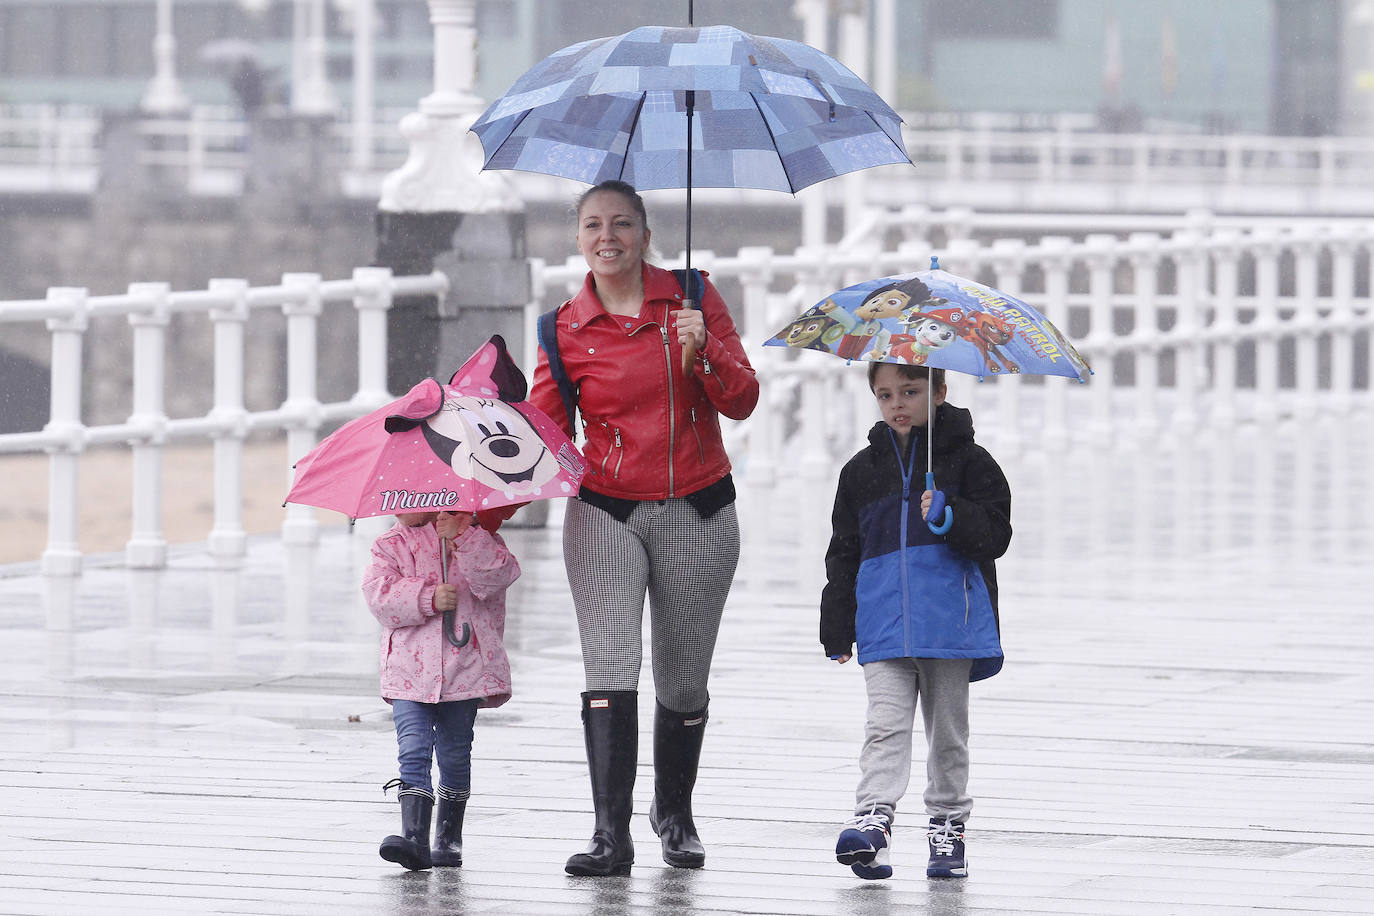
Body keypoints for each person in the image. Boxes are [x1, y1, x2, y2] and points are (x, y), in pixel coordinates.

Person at [527, 179, 759, 876]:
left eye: (622, 224)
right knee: (610, 665)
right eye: (594, 225)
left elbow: (743, 398)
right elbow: (542, 436)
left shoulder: (692, 298)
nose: (608, 237)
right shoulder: (560, 329)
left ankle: (675, 813)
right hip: (604, 511)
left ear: (646, 234)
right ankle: (609, 834)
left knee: (683, 681)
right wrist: (474, 506)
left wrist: (705, 350)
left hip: (698, 507)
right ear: (577, 239)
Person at [820, 363, 1011, 880]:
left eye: (910, 390)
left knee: (947, 733)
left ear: (940, 392)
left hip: (949, 623)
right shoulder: (860, 472)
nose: (897, 403)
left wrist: (949, 515)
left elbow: (996, 533)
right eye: (885, 395)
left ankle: (948, 825)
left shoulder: (972, 463)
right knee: (884, 727)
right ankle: (873, 821)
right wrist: (838, 619)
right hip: (883, 621)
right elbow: (844, 551)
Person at [361, 509, 521, 871]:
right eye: (396, 501)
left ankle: (448, 835)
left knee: (454, 752)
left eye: (411, 500)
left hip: (464, 668)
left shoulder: (474, 536)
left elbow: (500, 575)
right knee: (413, 748)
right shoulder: (389, 545)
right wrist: (427, 597)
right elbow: (379, 597)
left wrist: (463, 539)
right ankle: (414, 838)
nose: (401, 509)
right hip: (408, 671)